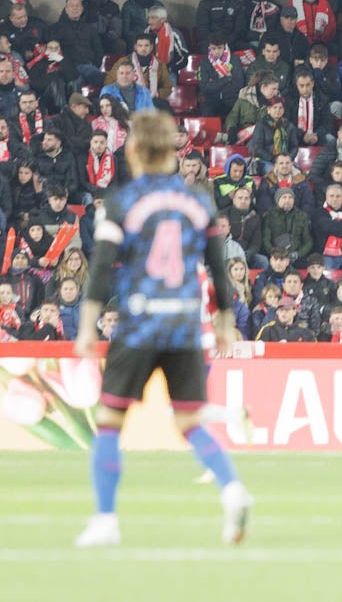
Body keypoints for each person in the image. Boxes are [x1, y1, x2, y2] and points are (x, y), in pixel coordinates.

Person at [71, 109, 252, 548]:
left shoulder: (124, 202)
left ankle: (106, 520)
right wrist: (225, 321)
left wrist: (87, 324)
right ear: (173, 151)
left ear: (132, 149)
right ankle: (231, 488)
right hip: (185, 326)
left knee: (110, 420)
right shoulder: (198, 202)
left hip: (138, 325)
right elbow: (217, 267)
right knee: (190, 421)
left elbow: (100, 267)